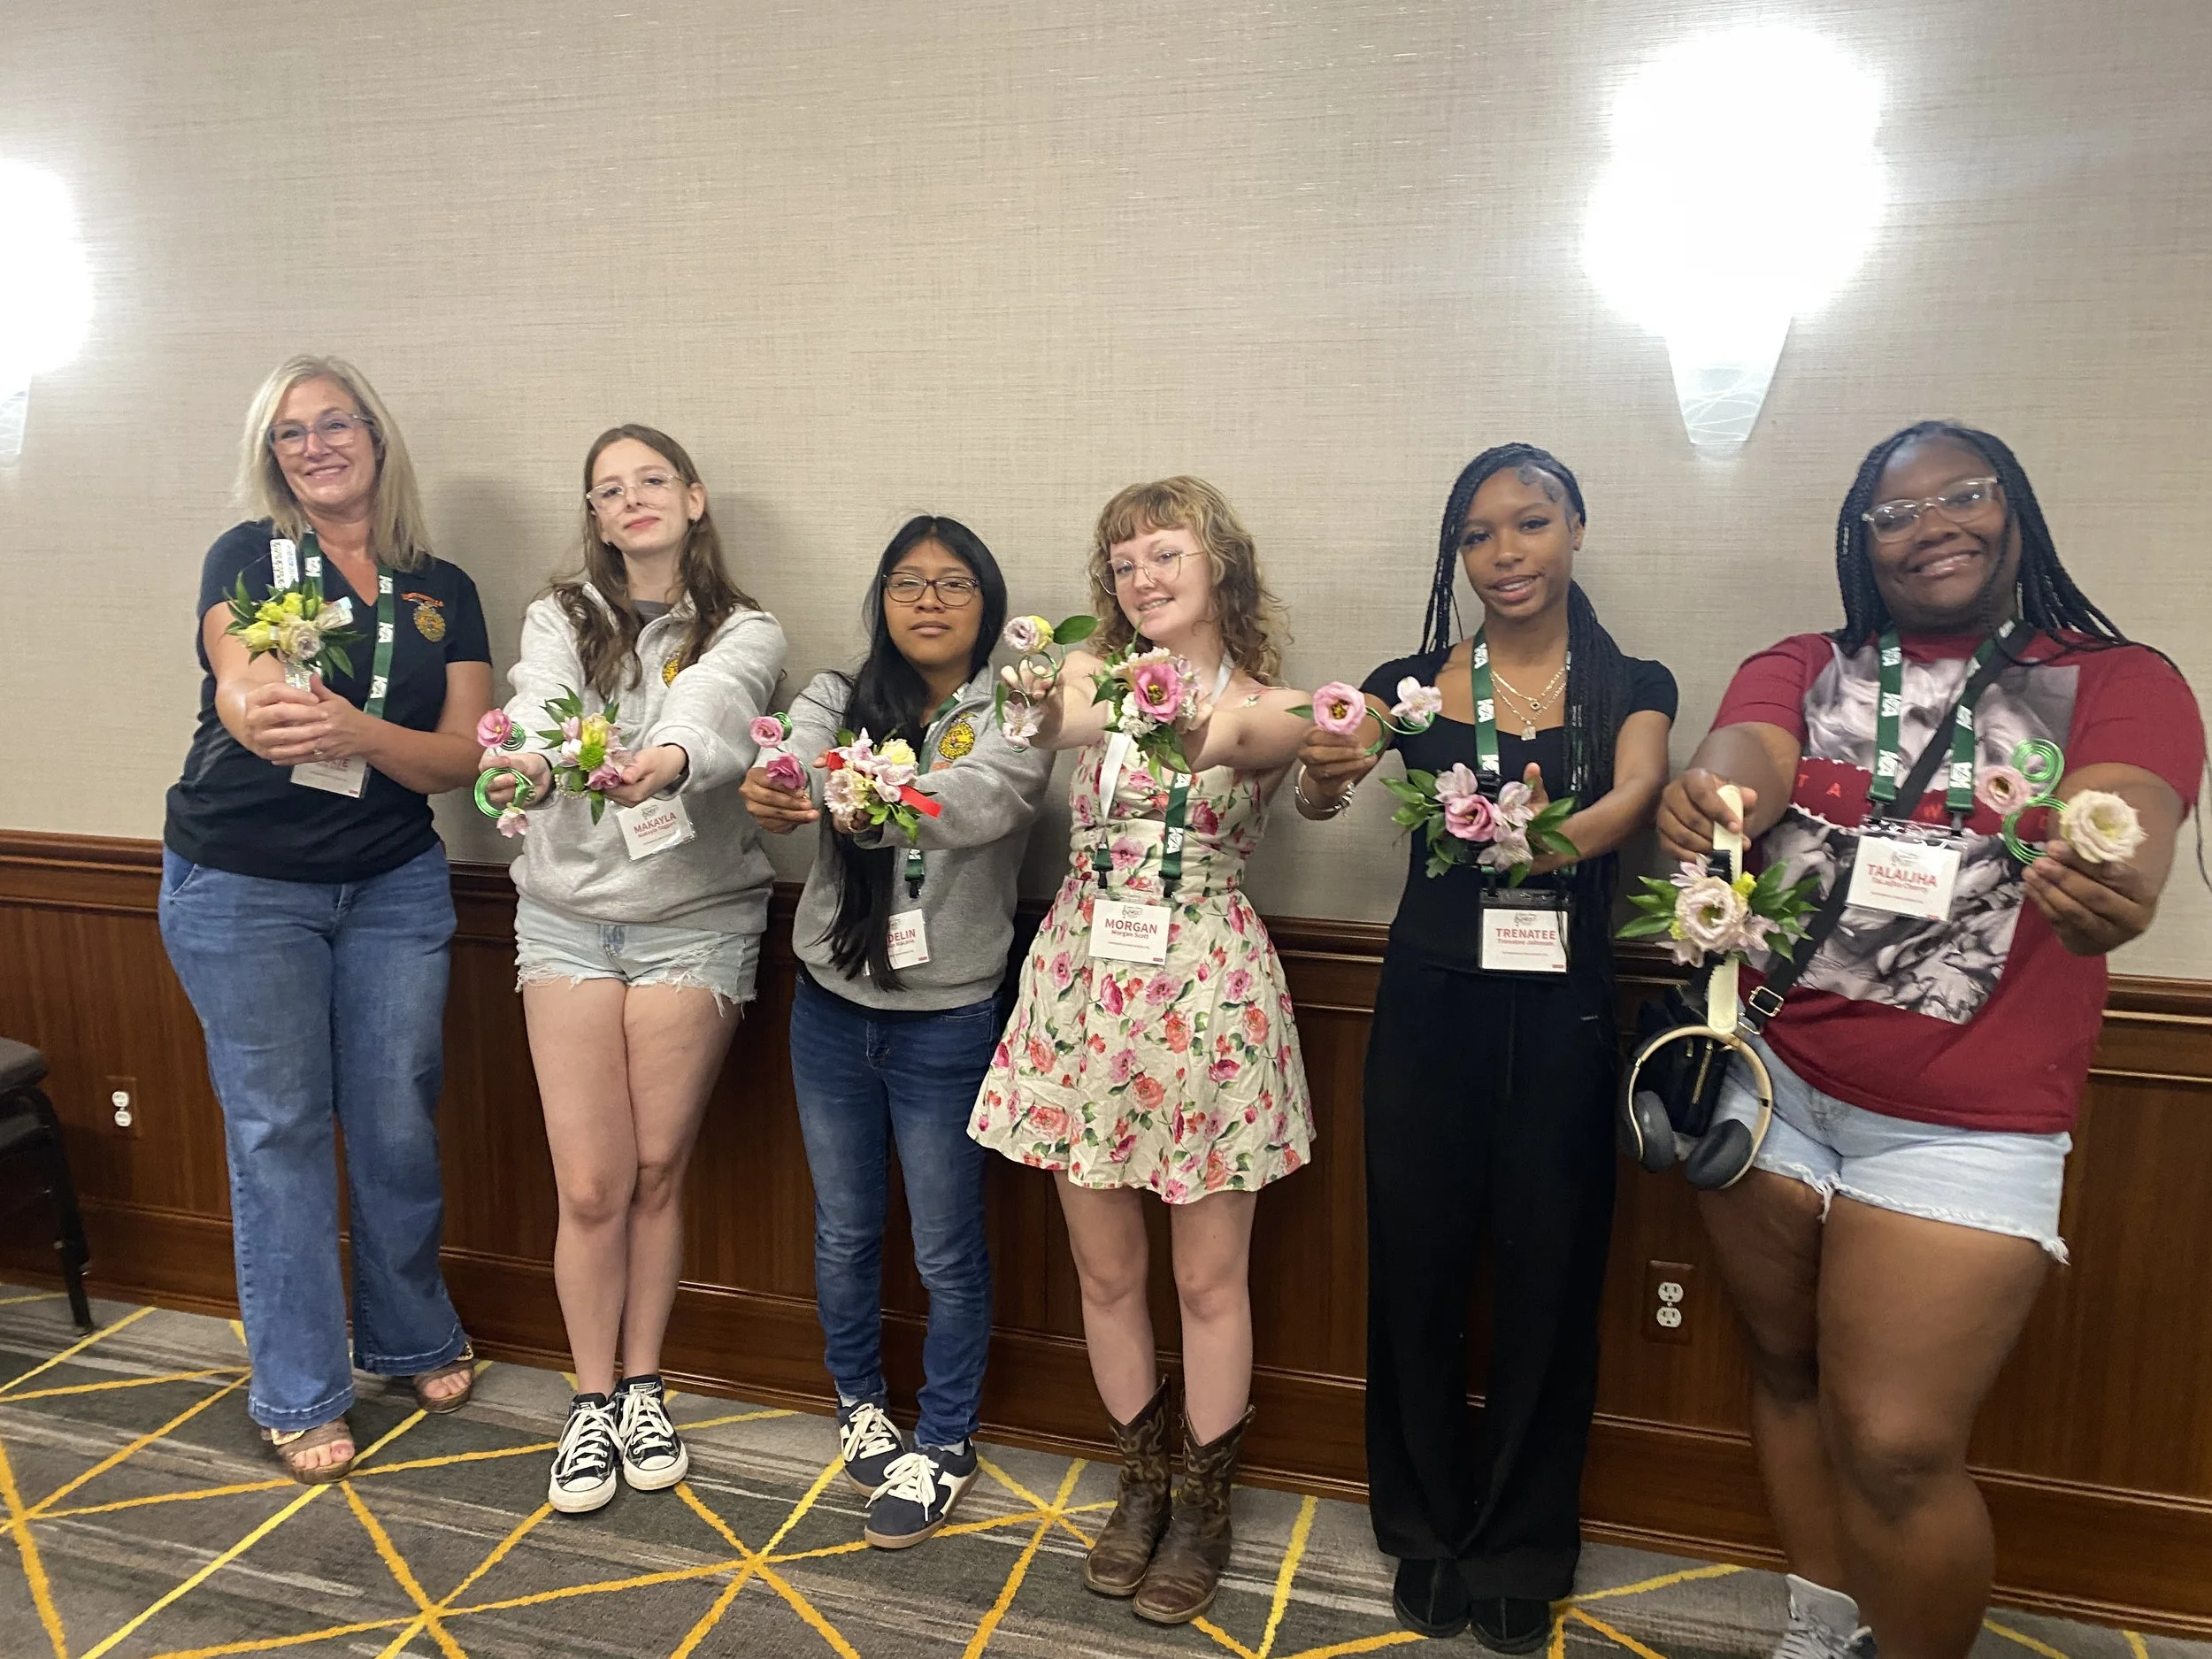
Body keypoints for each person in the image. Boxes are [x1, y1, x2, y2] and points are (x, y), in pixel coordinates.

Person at [1656, 421, 2204, 1659]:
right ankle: (1823, 1620)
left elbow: (2130, 811)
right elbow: (1749, 751)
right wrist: (1714, 789)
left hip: (1968, 1123)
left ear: (2016, 510)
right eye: (1896, 512)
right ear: (1863, 541)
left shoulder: (2120, 678)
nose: (1933, 523)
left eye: (1964, 494)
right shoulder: (1806, 662)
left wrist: (2118, 870)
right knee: (1789, 1369)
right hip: (1773, 1080)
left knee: (1899, 1440)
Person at [1294, 444, 1675, 1649]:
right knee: (1415, 1260)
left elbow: (1633, 797)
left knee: (1550, 1271)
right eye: (1479, 534)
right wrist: (1318, 778)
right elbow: (1324, 792)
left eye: (1531, 524)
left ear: (1574, 530)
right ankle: (1422, 1522)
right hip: (1429, 1000)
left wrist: (1550, 840)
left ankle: (1521, 1535)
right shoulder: (1407, 684)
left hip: (1564, 1007)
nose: (1505, 554)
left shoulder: (1630, 679)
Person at [968, 476, 1317, 1626]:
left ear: (1221, 562)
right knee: (1105, 1268)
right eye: (1122, 563)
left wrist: (1317, 744)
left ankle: (1204, 1505)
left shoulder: (1278, 702)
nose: (1143, 577)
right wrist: (1043, 673)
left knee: (1207, 1276)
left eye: (1166, 553)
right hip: (1081, 986)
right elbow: (1056, 715)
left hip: (1208, 994)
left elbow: (1274, 750)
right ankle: (1141, 1482)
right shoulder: (1085, 676)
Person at [159, 355, 489, 1483]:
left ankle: (408, 1335)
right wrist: (260, 710)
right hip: (243, 883)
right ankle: (299, 1390)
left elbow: (465, 757)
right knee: (280, 1133)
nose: (314, 446)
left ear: (376, 438)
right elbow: (235, 664)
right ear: (273, 459)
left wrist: (359, 736)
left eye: (333, 422)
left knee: (396, 1116)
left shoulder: (442, 584)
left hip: (394, 882)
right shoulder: (251, 558)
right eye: (289, 434)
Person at [478, 425, 785, 1515]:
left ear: (694, 499)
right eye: (609, 489)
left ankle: (645, 1385)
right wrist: (525, 754)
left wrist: (665, 762)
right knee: (590, 1183)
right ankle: (590, 1402)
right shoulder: (559, 616)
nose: (633, 499)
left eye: (652, 480)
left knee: (657, 1168)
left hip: (692, 922)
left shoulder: (745, 626)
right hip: (565, 919)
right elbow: (535, 698)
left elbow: (718, 707)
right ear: (596, 517)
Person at [740, 515, 1054, 1548]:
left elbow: (989, 800)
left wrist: (873, 795)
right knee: (844, 1228)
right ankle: (859, 1401)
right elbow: (789, 750)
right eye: (907, 582)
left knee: (948, 1247)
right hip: (831, 1005)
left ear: (987, 604)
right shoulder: (839, 693)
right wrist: (782, 782)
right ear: (880, 598)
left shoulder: (1018, 707)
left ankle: (948, 1436)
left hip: (949, 1018)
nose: (927, 600)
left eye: (953, 583)